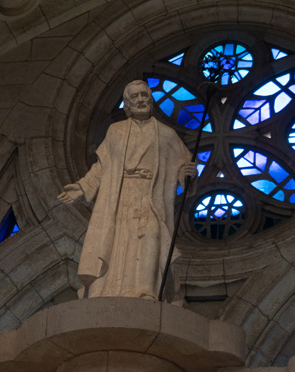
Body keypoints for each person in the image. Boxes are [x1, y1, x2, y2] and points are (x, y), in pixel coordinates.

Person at [58, 80, 196, 300]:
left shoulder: (166, 134)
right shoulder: (116, 131)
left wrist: (187, 175)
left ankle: (146, 291)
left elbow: (182, 169)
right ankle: (106, 291)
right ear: (127, 105)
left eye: (144, 95)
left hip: (150, 196)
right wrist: (82, 187)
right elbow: (102, 166)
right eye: (135, 97)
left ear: (151, 100)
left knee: (151, 235)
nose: (140, 100)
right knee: (116, 240)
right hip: (120, 196)